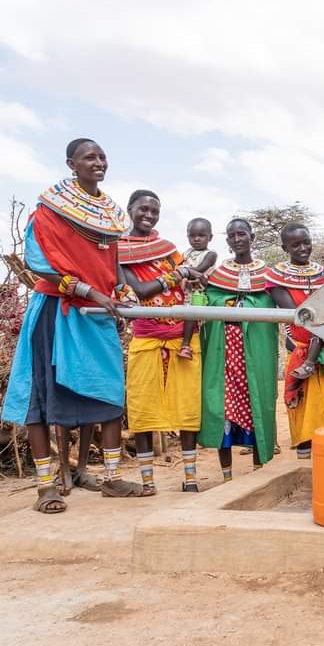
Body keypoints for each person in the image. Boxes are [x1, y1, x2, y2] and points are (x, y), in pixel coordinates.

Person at [1, 138, 142, 512]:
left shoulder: (109, 215)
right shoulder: (48, 212)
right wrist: (91, 293)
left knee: (110, 391)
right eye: (89, 157)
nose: (98, 162)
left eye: (102, 156)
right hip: (55, 311)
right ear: (71, 164)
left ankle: (111, 478)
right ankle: (45, 487)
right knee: (41, 399)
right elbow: (38, 262)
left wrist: (120, 291)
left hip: (97, 316)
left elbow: (112, 267)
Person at [118, 190, 205, 493]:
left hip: (183, 337)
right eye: (143, 209)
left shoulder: (166, 248)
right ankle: (147, 482)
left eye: (155, 211)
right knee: (143, 408)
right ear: (130, 210)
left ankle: (191, 479)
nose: (149, 215)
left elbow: (190, 277)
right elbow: (138, 290)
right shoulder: (120, 250)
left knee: (188, 406)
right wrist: (176, 275)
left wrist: (187, 274)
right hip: (147, 336)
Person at [198, 218, 279, 480]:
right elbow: (212, 302)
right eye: (232, 235)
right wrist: (232, 305)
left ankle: (258, 472)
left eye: (242, 234)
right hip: (225, 352)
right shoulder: (219, 274)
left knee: (260, 402)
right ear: (227, 241)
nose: (237, 239)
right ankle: (227, 476)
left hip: (255, 351)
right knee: (223, 407)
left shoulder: (268, 275)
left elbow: (269, 305)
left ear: (252, 237)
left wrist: (240, 309)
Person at [266, 223, 324, 460]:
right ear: (285, 247)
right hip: (300, 350)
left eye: (306, 242)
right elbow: (297, 315)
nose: (302, 248)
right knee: (305, 416)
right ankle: (306, 465)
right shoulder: (276, 277)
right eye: (295, 244)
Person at [179, 217, 218, 360]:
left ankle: (185, 345)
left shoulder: (210, 254)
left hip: (199, 291)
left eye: (201, 235)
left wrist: (183, 274)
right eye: (192, 235)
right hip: (183, 289)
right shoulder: (185, 253)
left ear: (210, 237)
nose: (196, 239)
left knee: (191, 311)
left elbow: (199, 269)